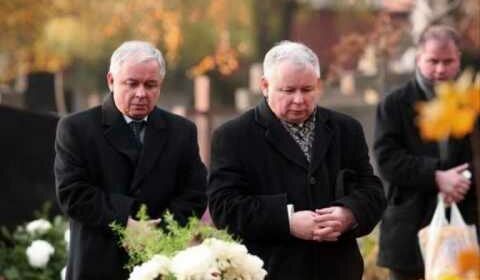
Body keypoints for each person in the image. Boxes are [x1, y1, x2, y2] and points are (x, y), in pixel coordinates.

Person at [207, 41, 386, 280]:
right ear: (265, 86)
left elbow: (371, 190)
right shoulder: (233, 136)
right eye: (288, 91)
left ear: (318, 85)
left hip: (338, 270)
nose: (299, 100)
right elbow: (224, 208)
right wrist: (287, 221)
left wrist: (349, 214)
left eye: (308, 89)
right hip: (270, 270)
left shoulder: (346, 129)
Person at [54, 41, 207, 280]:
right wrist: (125, 222)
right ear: (111, 81)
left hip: (160, 261)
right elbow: (73, 194)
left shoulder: (181, 131)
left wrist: (157, 231)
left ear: (160, 85)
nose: (141, 93)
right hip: (98, 262)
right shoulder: (77, 128)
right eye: (131, 83)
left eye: (150, 85)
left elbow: (194, 193)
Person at [375, 24, 478, 280]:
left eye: (448, 61)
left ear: (458, 61)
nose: (440, 69)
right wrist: (436, 176)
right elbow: (386, 159)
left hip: (465, 224)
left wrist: (461, 180)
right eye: (433, 61)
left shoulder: (473, 104)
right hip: (409, 227)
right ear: (419, 58)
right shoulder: (394, 103)